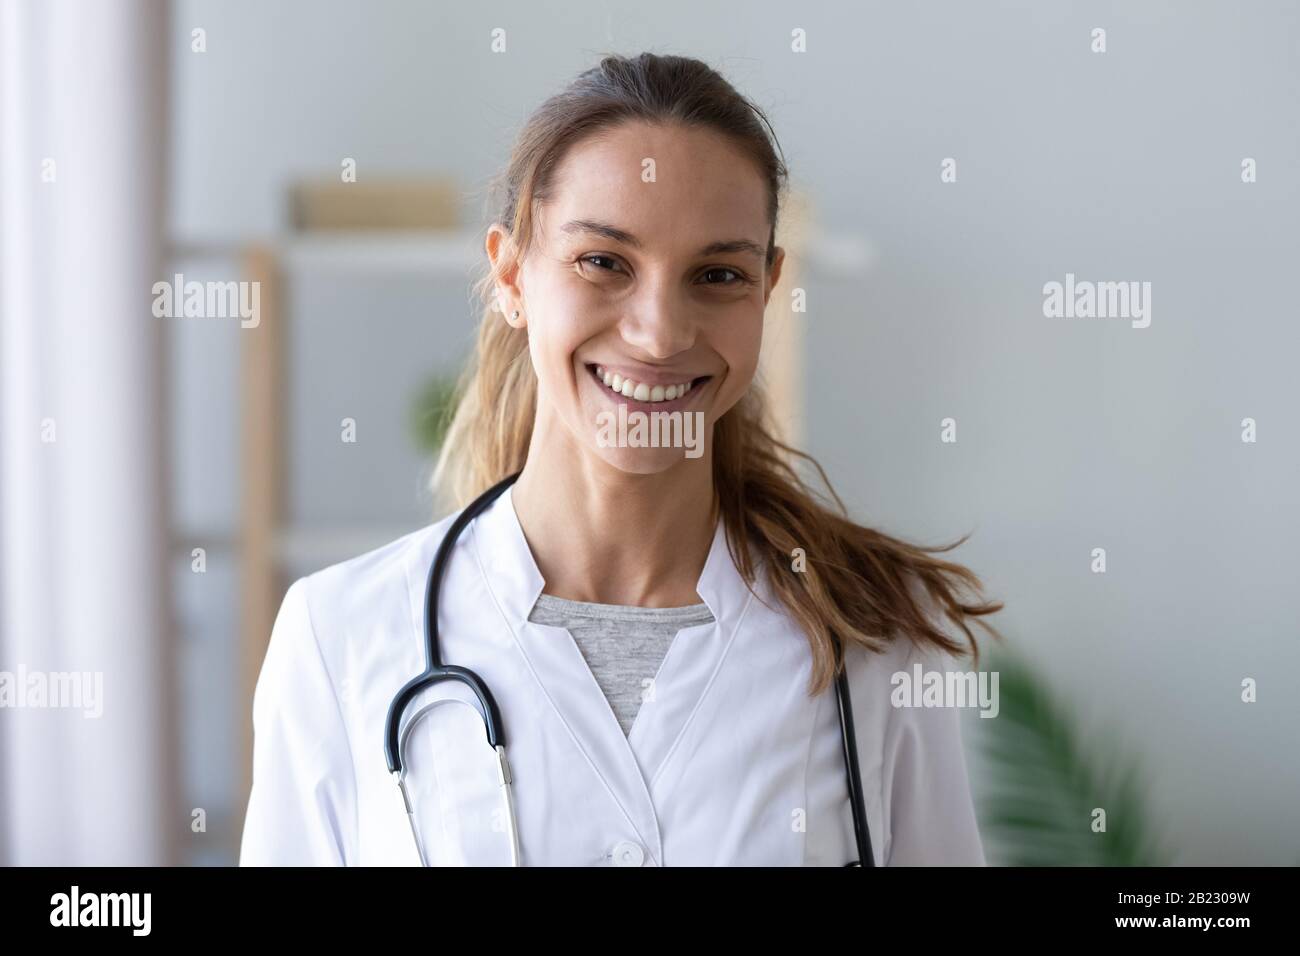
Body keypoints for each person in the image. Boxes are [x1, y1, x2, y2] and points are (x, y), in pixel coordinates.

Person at [240, 52, 1003, 867]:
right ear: (510, 275)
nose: (660, 332)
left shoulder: (876, 640)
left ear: (769, 289)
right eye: (604, 262)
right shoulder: (339, 637)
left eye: (717, 274)